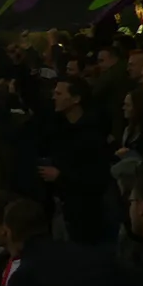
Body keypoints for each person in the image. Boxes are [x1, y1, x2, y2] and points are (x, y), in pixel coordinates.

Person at [39, 78, 113, 243]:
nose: (54, 97)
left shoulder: (91, 134)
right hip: (60, 207)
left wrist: (61, 176)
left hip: (84, 214)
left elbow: (97, 177)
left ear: (76, 99)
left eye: (59, 93)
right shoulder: (59, 128)